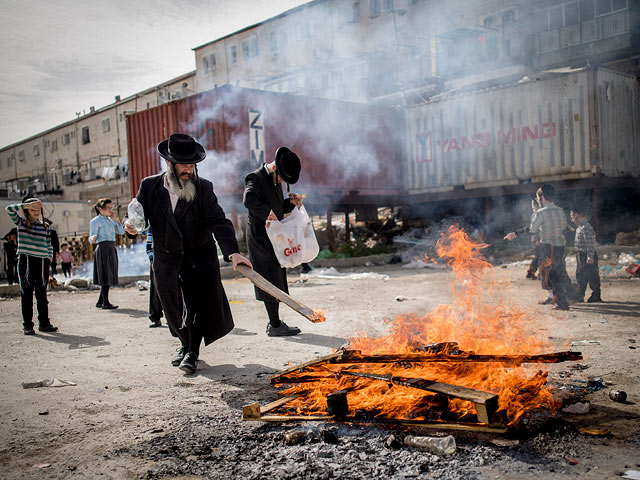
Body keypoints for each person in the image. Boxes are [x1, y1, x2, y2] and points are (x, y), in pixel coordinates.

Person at [124, 133, 252, 375]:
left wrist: (233, 253)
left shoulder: (203, 188)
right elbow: (137, 219)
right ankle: (184, 343)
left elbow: (219, 221)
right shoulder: (150, 187)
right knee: (172, 307)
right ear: (168, 164)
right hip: (166, 258)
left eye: (192, 164)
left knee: (195, 304)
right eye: (184, 164)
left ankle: (192, 351)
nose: (189, 170)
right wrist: (130, 228)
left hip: (198, 257)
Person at [243, 146, 304, 337]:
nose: (283, 182)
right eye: (283, 178)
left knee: (277, 276)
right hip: (260, 238)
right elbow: (249, 201)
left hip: (274, 236)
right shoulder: (255, 178)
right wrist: (267, 214)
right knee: (268, 277)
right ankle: (275, 325)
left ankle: (276, 323)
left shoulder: (275, 181)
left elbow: (276, 206)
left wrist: (290, 203)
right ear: (275, 168)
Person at [505, 184, 571, 310]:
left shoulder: (541, 213)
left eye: (537, 197)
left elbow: (532, 229)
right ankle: (560, 299)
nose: (537, 200)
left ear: (543, 197)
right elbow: (563, 227)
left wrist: (516, 233)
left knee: (550, 273)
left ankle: (561, 302)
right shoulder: (560, 210)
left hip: (548, 246)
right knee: (559, 271)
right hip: (561, 246)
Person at [5, 196, 58, 335]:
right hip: (26, 260)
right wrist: (26, 205)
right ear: (27, 210)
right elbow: (8, 209)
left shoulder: (45, 225)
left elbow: (48, 243)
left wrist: (50, 256)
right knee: (26, 294)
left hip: (42, 261)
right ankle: (28, 325)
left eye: (38, 209)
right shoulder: (21, 223)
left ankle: (44, 323)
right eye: (32, 209)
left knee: (42, 294)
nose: (35, 212)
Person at [90, 198, 124, 309]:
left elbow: (121, 232)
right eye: (108, 208)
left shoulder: (111, 220)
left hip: (111, 247)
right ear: (100, 209)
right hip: (103, 248)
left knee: (109, 272)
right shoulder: (95, 221)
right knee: (105, 273)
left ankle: (101, 301)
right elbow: (91, 236)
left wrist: (116, 220)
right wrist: (93, 238)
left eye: (111, 208)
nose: (110, 210)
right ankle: (105, 302)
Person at [570, 207, 602, 303]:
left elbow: (590, 244)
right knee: (581, 276)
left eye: (572, 217)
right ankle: (580, 295)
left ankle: (595, 295)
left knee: (591, 276)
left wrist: (590, 256)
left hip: (586, 255)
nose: (572, 220)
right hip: (582, 255)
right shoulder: (580, 228)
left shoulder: (586, 228)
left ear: (579, 216)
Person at [145, 227, 164, 328]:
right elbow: (149, 246)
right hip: (157, 259)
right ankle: (155, 318)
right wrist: (152, 260)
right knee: (156, 290)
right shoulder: (152, 227)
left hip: (172, 258)